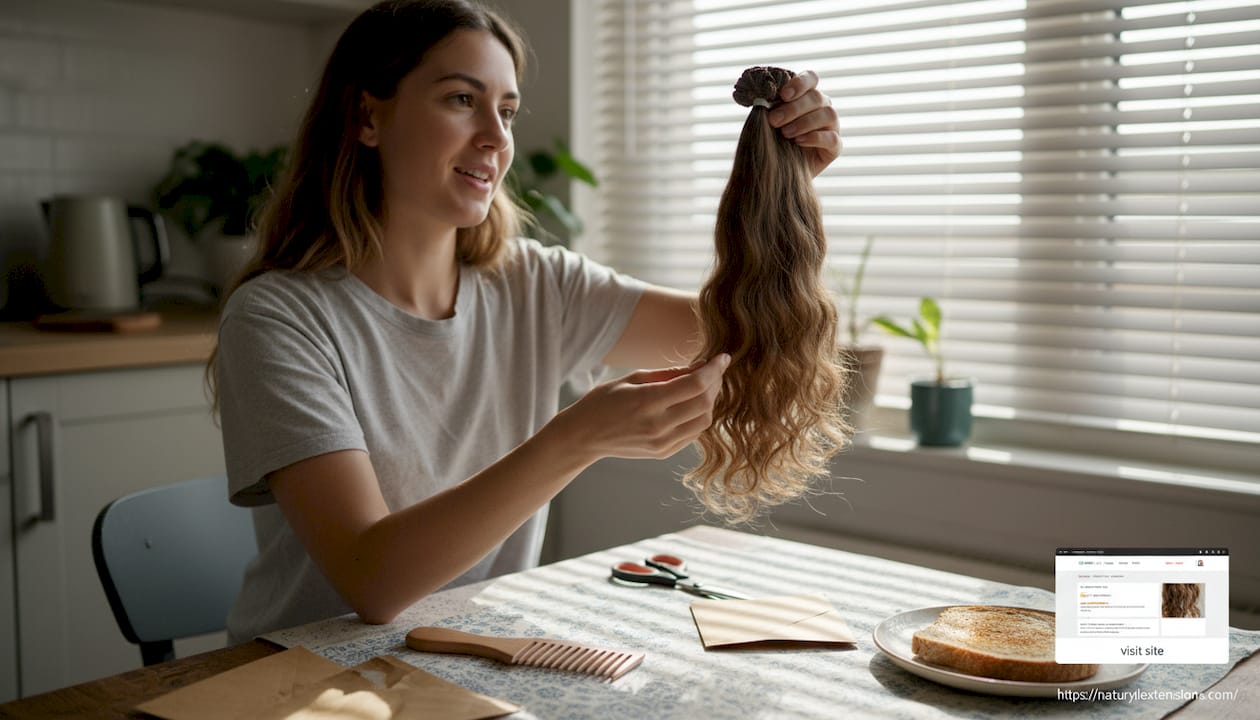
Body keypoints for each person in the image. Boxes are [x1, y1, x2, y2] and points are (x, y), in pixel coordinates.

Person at [213, 0, 843, 643]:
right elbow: (372, 581)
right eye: (462, 99)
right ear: (367, 116)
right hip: (294, 678)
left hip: (466, 653)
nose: (495, 136)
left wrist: (784, 189)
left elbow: (746, 328)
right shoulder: (279, 319)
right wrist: (576, 438)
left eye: (507, 111)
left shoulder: (535, 285)